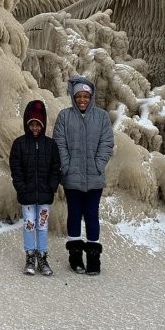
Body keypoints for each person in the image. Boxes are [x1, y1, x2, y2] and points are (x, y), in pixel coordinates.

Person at [53, 76, 114, 276]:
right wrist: (67, 166)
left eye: (85, 96)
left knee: (92, 215)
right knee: (74, 214)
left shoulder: (102, 117)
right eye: (78, 96)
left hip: (94, 177)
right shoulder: (64, 116)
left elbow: (107, 143)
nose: (82, 100)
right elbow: (59, 143)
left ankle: (94, 259)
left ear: (91, 96)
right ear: (73, 96)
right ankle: (75, 257)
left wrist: (98, 164)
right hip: (72, 177)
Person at [9, 100, 61, 276]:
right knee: (29, 225)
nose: (35, 128)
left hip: (45, 195)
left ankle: (43, 257)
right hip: (27, 195)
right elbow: (15, 169)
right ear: (26, 124)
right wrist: (21, 187)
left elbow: (56, 168)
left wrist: (52, 186)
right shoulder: (19, 144)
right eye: (31, 124)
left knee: (42, 226)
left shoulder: (50, 145)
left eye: (38, 124)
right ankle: (30, 257)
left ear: (43, 124)